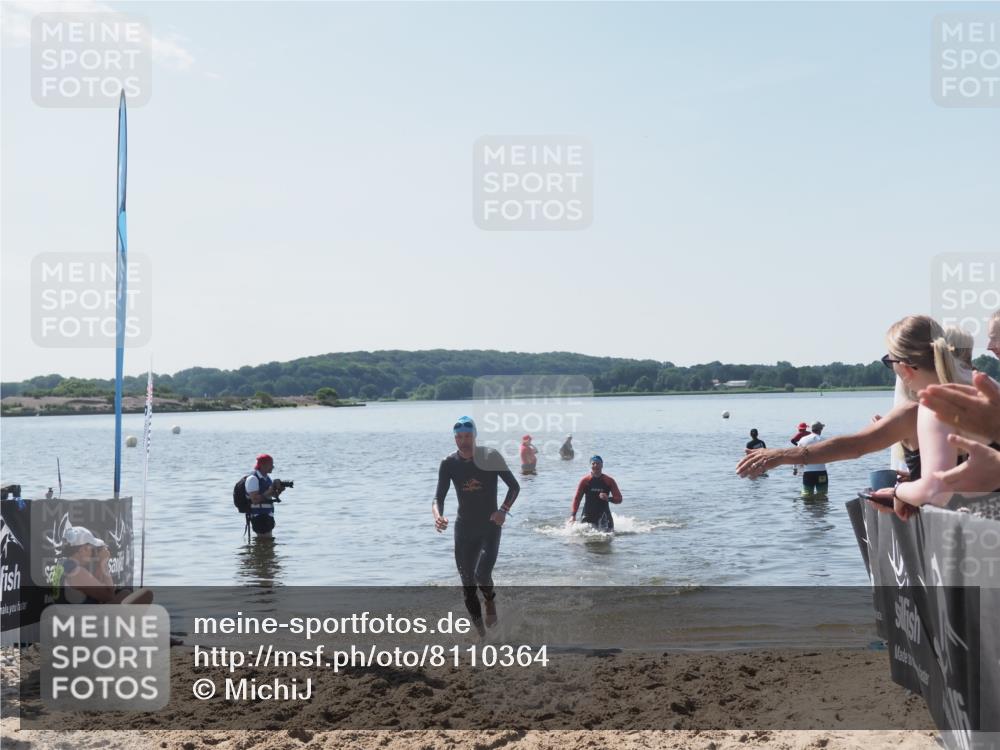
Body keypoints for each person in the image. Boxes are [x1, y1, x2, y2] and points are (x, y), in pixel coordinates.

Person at [868, 315, 994, 517]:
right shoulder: (988, 389)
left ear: (905, 368)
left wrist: (899, 492)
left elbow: (936, 491)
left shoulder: (933, 405)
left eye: (889, 362)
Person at [433, 416, 519, 634]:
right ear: (455, 439)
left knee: (482, 575)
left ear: (475, 436)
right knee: (468, 584)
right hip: (464, 529)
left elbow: (514, 487)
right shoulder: (448, 464)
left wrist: (503, 511)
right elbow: (438, 498)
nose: (464, 441)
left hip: (490, 527)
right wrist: (438, 516)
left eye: (468, 436)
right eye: (459, 437)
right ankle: (482, 636)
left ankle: (490, 598)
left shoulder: (490, 457)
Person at [50, 526, 153, 605]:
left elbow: (95, 588)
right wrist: (104, 563)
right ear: (82, 550)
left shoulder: (62, 565)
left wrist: (100, 565)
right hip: (81, 624)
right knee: (145, 594)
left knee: (124, 594)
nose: (92, 552)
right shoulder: (77, 572)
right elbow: (109, 595)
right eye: (91, 548)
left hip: (69, 616)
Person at [569, 455, 623, 531]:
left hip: (605, 517)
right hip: (588, 515)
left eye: (598, 463)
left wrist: (608, 498)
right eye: (593, 463)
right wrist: (573, 515)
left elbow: (619, 499)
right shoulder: (585, 481)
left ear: (602, 465)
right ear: (590, 466)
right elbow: (577, 499)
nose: (595, 465)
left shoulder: (609, 481)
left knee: (607, 539)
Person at [245, 453, 286, 538]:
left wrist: (279, 491)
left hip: (267, 515)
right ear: (263, 465)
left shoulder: (267, 478)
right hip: (259, 516)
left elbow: (272, 495)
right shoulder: (253, 479)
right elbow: (254, 500)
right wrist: (269, 491)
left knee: (268, 545)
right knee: (265, 540)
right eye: (271, 464)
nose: (273, 467)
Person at [795, 422, 828, 497]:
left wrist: (795, 468)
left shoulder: (803, 440)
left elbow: (796, 454)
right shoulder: (823, 440)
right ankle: (820, 508)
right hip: (821, 472)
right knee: (822, 494)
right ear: (820, 429)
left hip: (808, 472)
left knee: (807, 494)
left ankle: (808, 508)